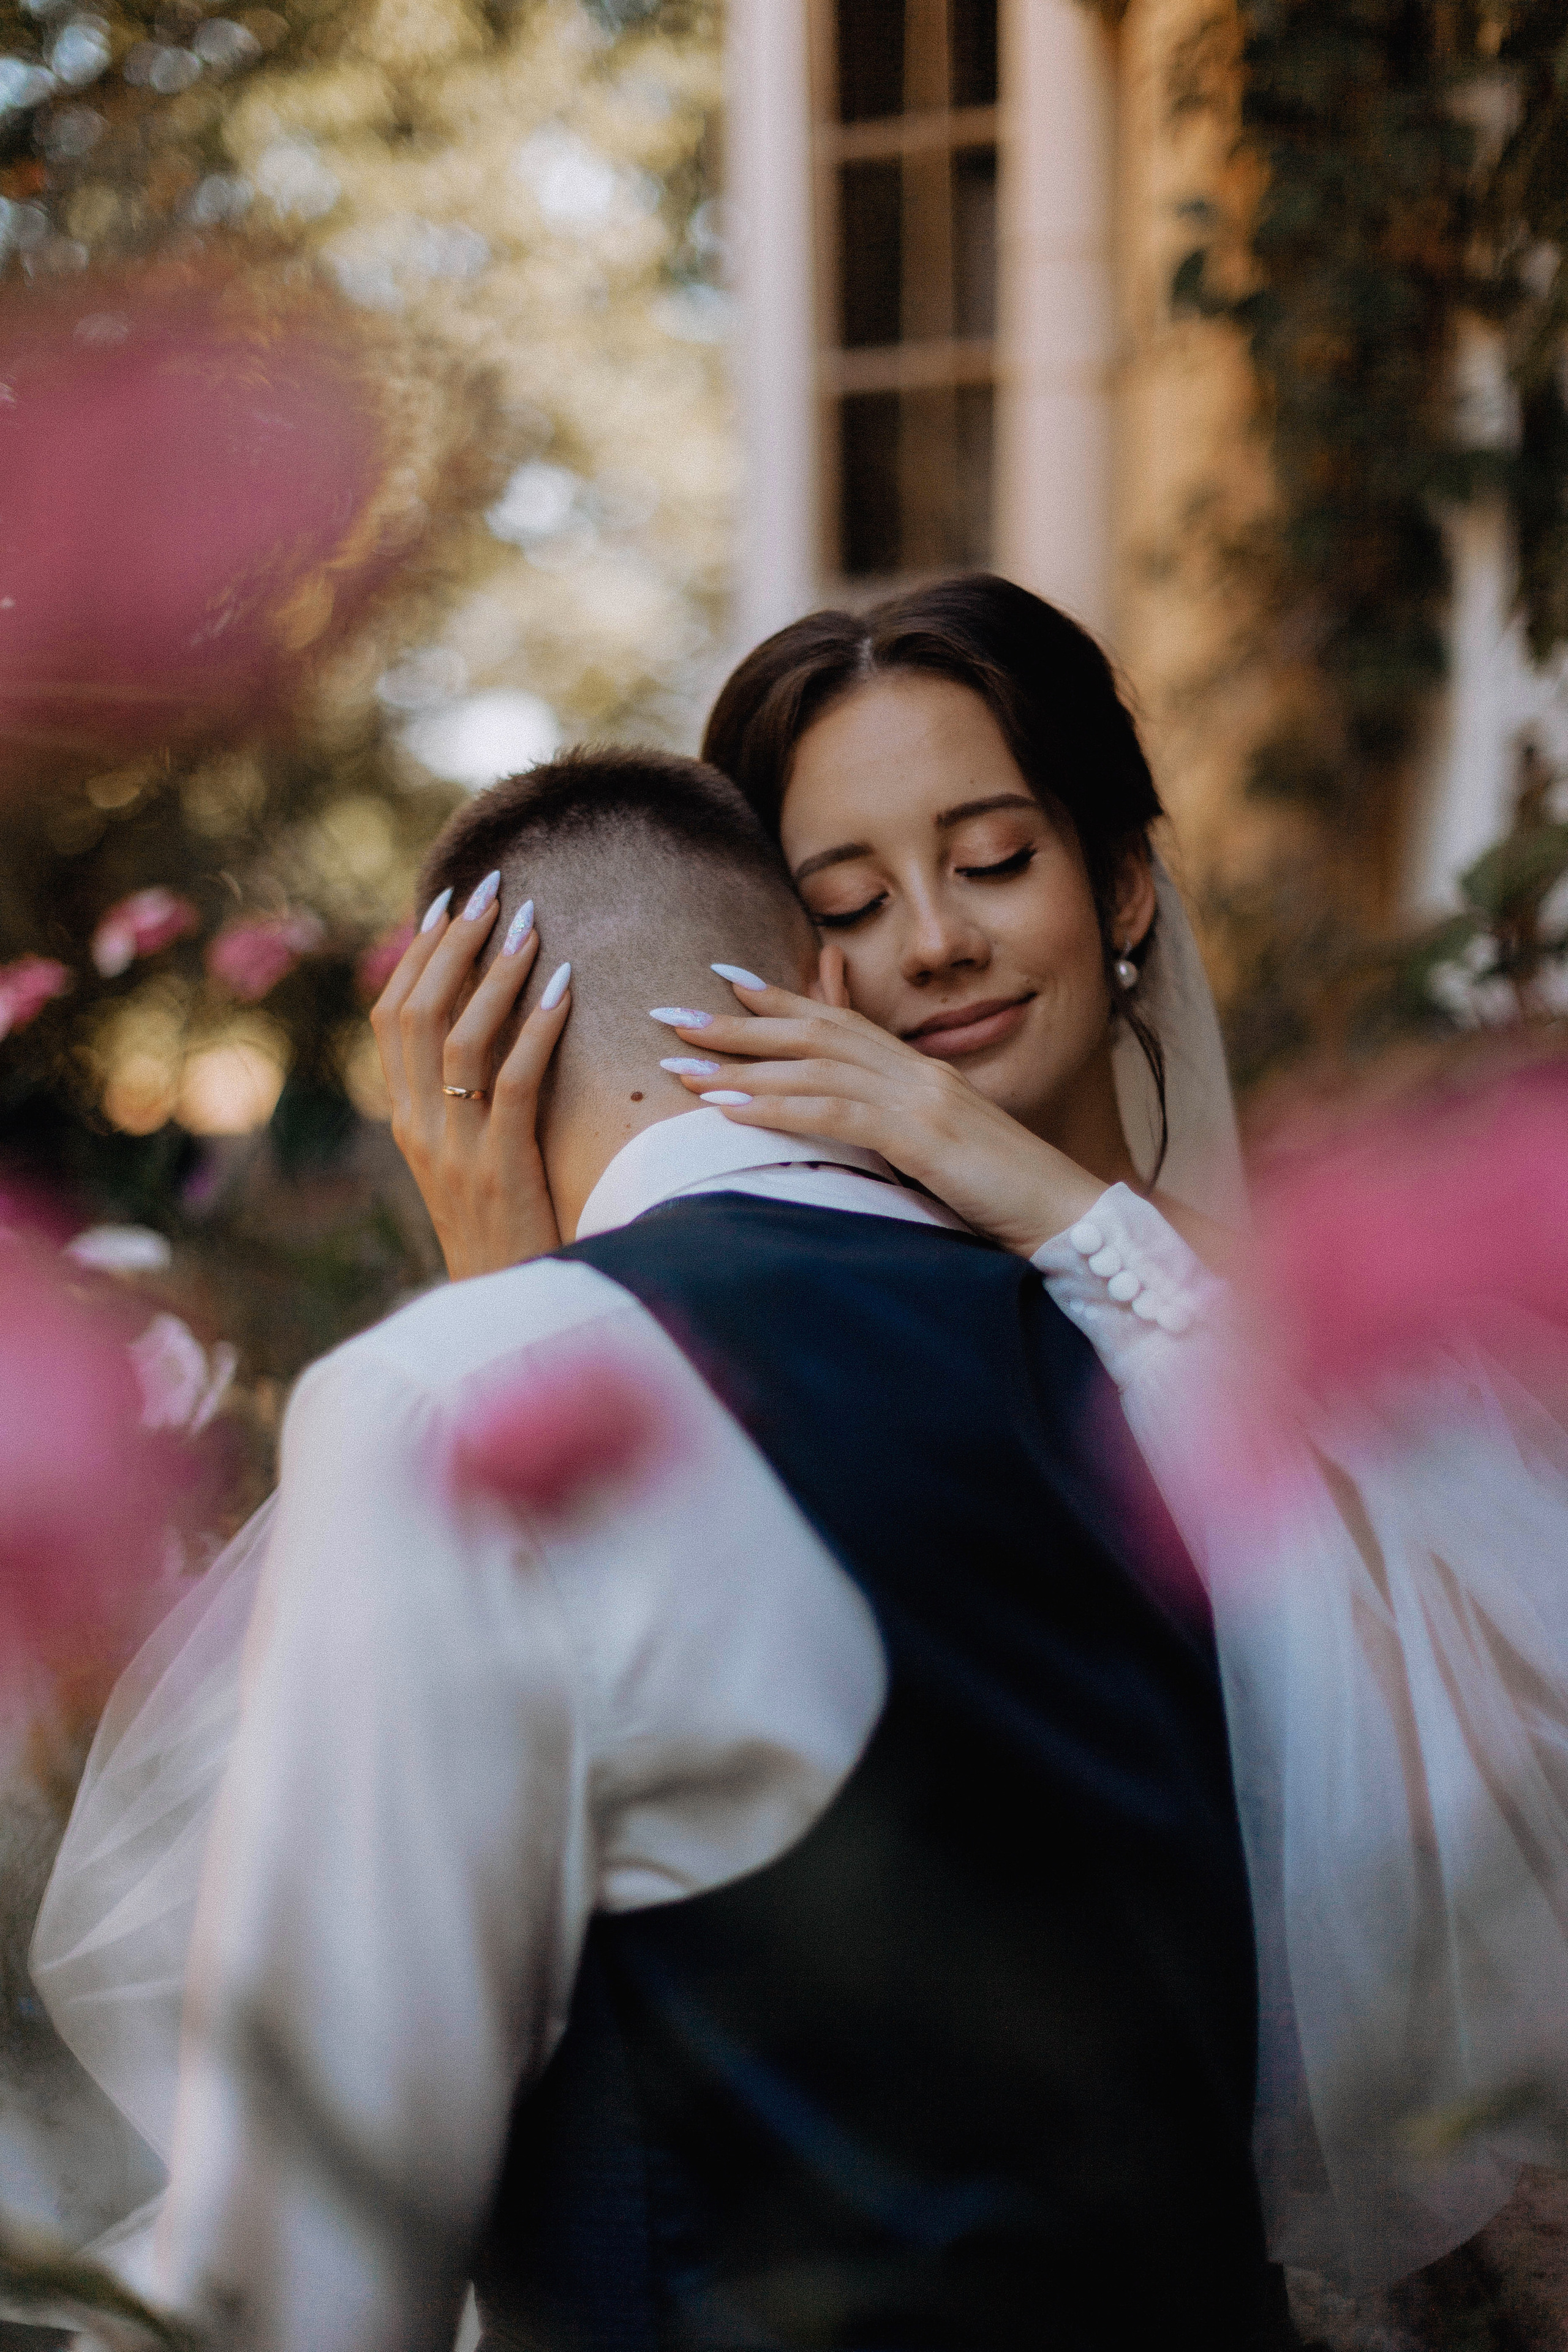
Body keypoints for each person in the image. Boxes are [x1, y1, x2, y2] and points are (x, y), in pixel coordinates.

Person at [377, 576, 1568, 2295]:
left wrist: (1041, 1197)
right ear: (766, 965)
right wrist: (529, 1297)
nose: (932, 942)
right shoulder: (780, 1356)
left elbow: (1470, 1777)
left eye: (996, 861)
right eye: (846, 904)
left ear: (1124, 884)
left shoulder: (1324, 1332)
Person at [36, 744, 1280, 2351]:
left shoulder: (462, 1400)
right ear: (827, 980)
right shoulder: (1162, 1358)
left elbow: (313, 2252)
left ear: (452, 1076)